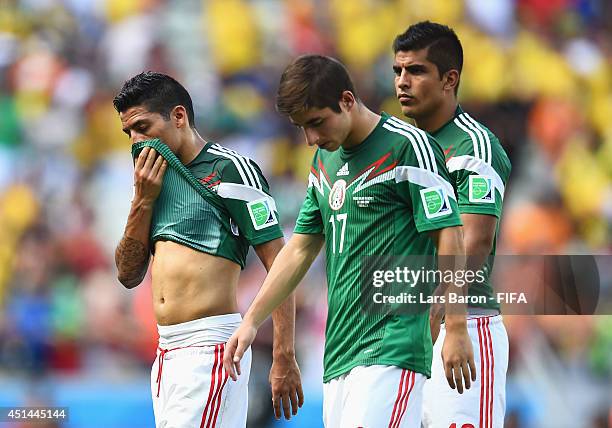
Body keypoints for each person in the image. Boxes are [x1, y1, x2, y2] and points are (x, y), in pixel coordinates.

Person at [223, 55, 475, 428]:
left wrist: (456, 326)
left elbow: (450, 235)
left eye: (316, 123)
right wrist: (252, 321)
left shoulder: (408, 147)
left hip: (392, 345)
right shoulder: (324, 162)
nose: (311, 139)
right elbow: (300, 249)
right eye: (301, 128)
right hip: (339, 354)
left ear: (346, 100)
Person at [113, 71, 303, 427]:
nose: (136, 141)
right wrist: (142, 201)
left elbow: (282, 264)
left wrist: (283, 352)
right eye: (129, 133)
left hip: (211, 346)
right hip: (166, 352)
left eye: (142, 126)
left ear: (179, 116)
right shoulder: (151, 179)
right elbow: (127, 274)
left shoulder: (230, 169)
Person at [392, 21, 512, 428]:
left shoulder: (472, 146)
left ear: (449, 79)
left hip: (461, 323)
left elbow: (475, 242)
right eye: (398, 72)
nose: (402, 82)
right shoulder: (399, 147)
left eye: (416, 71)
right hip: (402, 329)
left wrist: (442, 316)